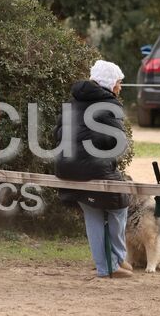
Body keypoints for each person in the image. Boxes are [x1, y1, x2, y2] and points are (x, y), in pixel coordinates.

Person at [55, 59, 132, 278]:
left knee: (92, 212)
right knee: (119, 204)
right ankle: (116, 259)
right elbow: (115, 141)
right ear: (110, 83)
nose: (120, 87)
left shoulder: (72, 102)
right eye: (118, 82)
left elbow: (56, 135)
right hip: (92, 168)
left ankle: (106, 266)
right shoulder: (109, 104)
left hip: (65, 167)